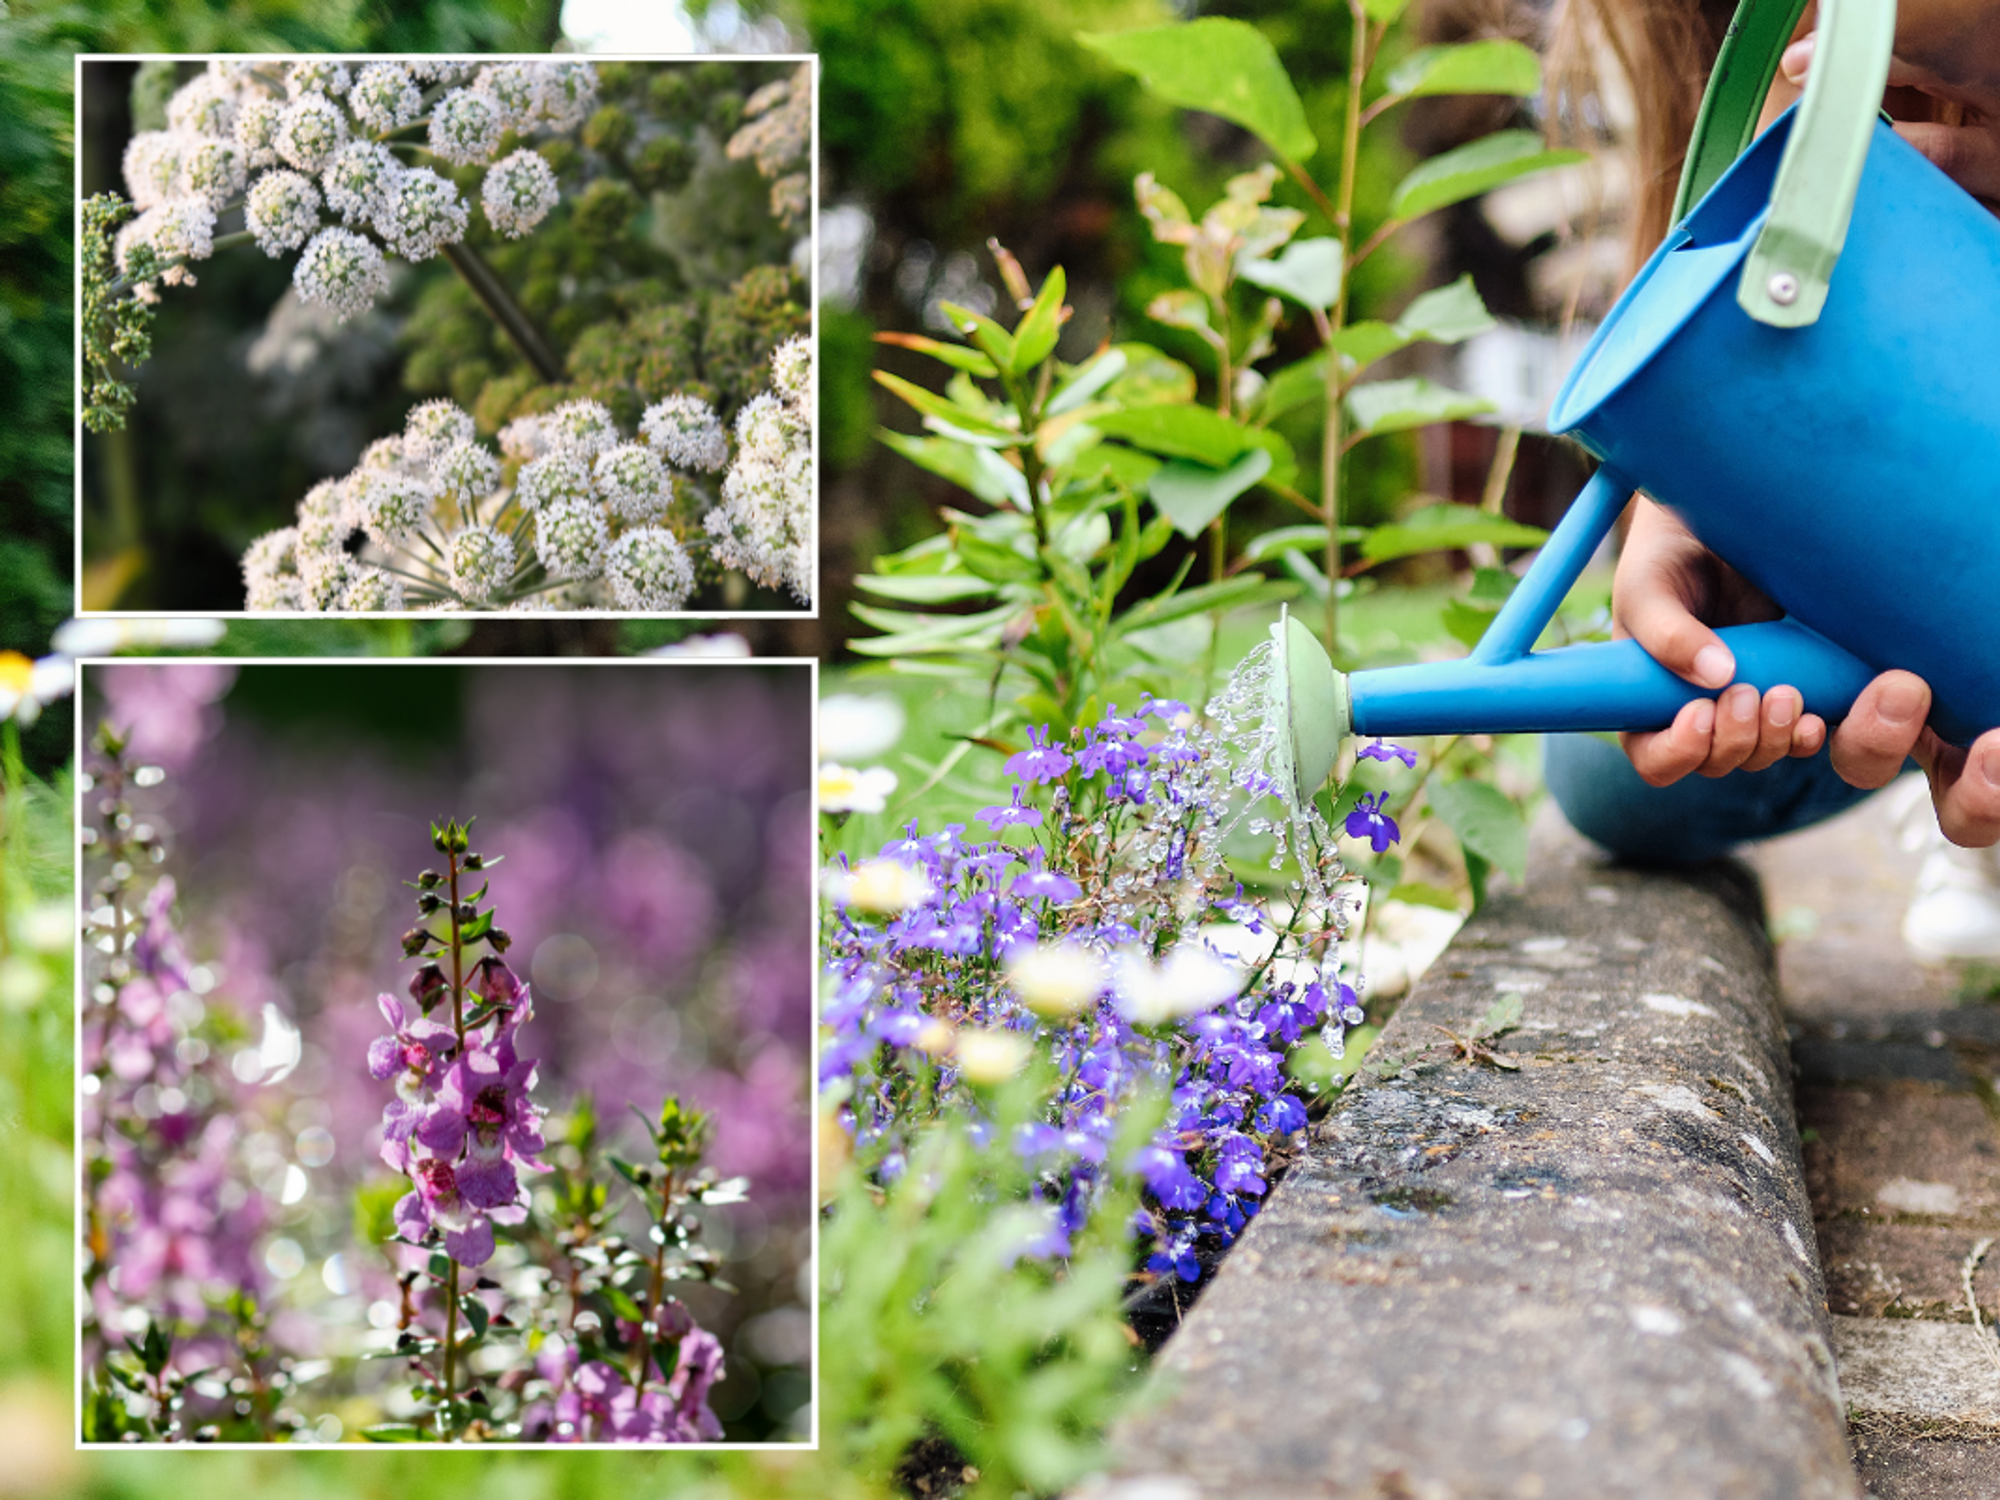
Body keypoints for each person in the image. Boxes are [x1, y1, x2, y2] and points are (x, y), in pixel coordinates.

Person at [1541, 0, 2000, 958]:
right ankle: (1943, 721)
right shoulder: (1739, 25)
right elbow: (1726, 255)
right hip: (1929, 479)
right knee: (1613, 771)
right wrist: (1695, 502)